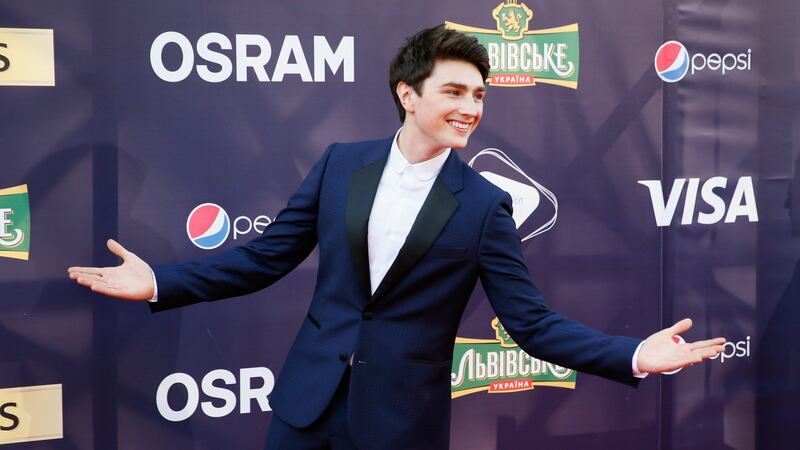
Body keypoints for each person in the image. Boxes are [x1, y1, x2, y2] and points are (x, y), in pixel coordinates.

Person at [68, 25, 725, 450]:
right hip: (304, 408)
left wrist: (633, 353)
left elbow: (529, 324)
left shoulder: (486, 206)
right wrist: (160, 280)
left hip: (398, 426)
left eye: (481, 94)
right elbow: (265, 259)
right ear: (407, 94)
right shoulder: (338, 163)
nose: (472, 107)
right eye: (456, 91)